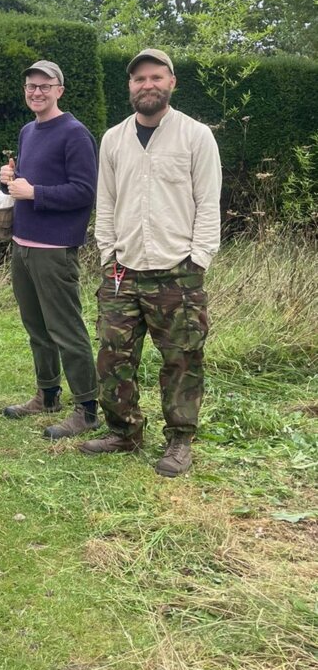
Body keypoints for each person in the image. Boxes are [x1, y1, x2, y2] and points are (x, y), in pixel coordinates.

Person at [80, 49, 222, 477]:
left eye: (156, 77)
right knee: (112, 357)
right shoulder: (113, 138)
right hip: (122, 273)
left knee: (182, 359)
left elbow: (208, 204)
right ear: (130, 86)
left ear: (172, 82)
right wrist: (108, 253)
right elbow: (104, 202)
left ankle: (179, 440)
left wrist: (198, 259)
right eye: (139, 79)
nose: (148, 85)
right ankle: (124, 431)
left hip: (177, 270)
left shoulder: (195, 136)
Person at [0, 60, 99, 439]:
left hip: (55, 249)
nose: (36, 92)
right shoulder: (28, 131)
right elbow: (30, 181)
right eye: (30, 85)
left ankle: (87, 408)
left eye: (45, 86)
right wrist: (12, 178)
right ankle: (48, 394)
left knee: (65, 328)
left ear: (60, 89)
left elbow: (85, 191)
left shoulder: (75, 134)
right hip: (22, 245)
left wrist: (34, 193)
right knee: (36, 327)